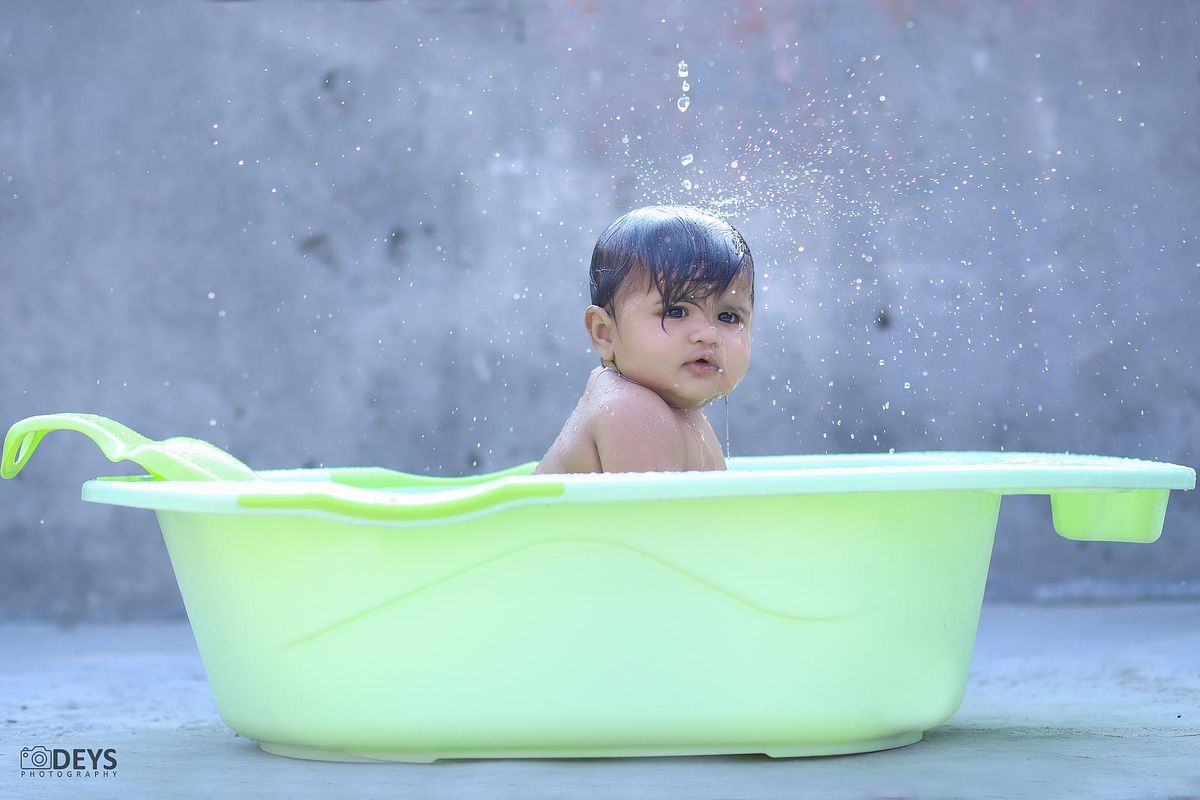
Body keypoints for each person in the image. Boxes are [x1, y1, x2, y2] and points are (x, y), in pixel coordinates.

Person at [535, 205, 754, 474]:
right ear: (604, 333)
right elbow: (654, 517)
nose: (709, 334)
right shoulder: (632, 409)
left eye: (728, 317)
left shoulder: (680, 410)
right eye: (676, 311)